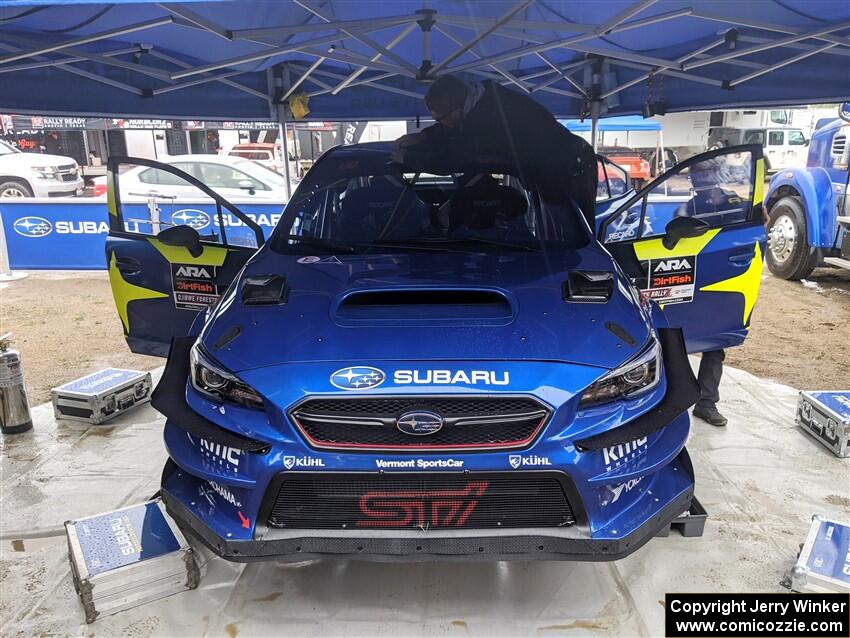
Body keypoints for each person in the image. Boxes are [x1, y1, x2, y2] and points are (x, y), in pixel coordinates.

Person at [392, 74, 597, 226]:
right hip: (553, 166)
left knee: (569, 242)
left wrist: (407, 157)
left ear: (457, 111)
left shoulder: (489, 119)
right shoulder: (480, 101)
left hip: (571, 167)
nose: (439, 124)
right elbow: (454, 129)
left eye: (439, 119)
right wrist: (424, 136)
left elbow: (450, 161)